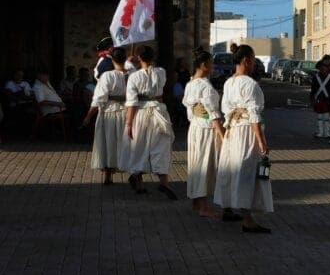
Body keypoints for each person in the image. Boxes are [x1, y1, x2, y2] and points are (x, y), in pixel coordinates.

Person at [214, 44, 273, 233]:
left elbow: (225, 110)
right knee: (246, 173)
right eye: (254, 59)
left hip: (233, 130)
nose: (255, 63)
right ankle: (247, 219)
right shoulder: (250, 84)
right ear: (247, 60)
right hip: (247, 132)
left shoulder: (229, 82)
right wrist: (262, 141)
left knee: (230, 170)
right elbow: (254, 115)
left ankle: (227, 208)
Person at [122, 45, 177, 200]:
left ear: (139, 58)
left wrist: (129, 123)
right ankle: (164, 182)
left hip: (141, 112)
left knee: (139, 146)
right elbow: (152, 74)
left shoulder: (134, 77)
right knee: (161, 146)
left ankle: (138, 183)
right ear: (153, 57)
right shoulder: (161, 73)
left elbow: (131, 102)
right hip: (159, 111)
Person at [183, 48, 225, 217]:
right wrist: (222, 134)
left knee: (196, 163)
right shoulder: (205, 86)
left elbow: (189, 109)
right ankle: (203, 205)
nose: (213, 66)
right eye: (211, 63)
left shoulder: (190, 83)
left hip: (194, 127)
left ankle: (196, 200)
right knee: (205, 165)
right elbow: (213, 113)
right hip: (206, 130)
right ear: (204, 65)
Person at [81, 47, 129, 185]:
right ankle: (136, 176)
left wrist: (88, 116)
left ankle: (108, 175)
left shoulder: (107, 76)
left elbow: (98, 99)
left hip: (110, 113)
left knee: (109, 143)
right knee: (128, 144)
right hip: (128, 113)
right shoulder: (133, 75)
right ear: (125, 59)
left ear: (112, 59)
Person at [33, 69, 68, 138]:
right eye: (45, 76)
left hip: (59, 107)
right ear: (39, 76)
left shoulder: (47, 83)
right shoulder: (37, 87)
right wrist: (57, 104)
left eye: (47, 75)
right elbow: (41, 102)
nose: (47, 77)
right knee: (76, 109)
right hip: (52, 110)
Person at [310, 59, 330, 139]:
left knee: (327, 117)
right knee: (320, 117)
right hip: (319, 99)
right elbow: (313, 89)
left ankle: (327, 133)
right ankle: (320, 132)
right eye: (321, 68)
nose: (322, 69)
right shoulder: (316, 77)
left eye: (324, 68)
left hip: (327, 99)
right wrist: (312, 98)